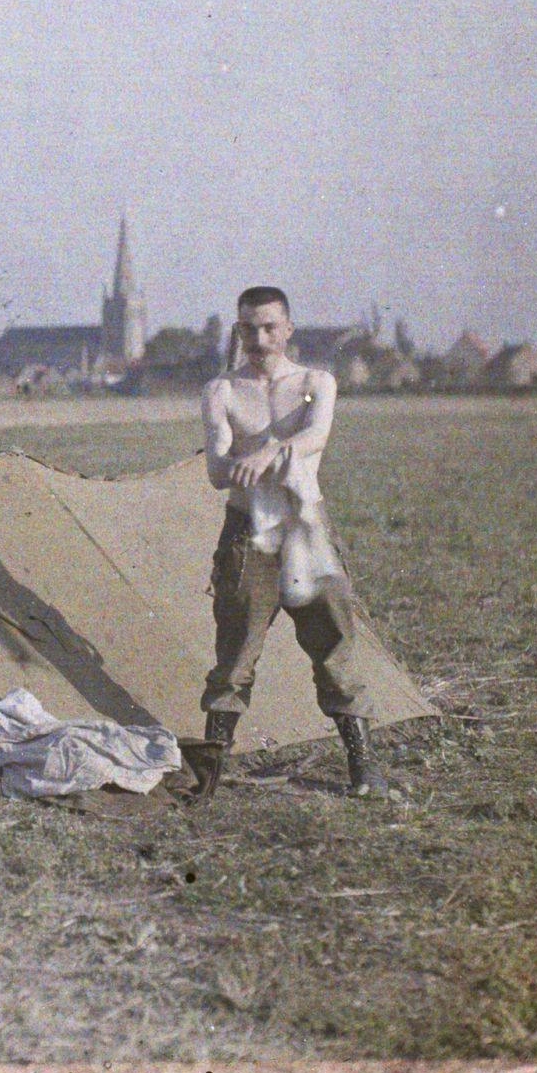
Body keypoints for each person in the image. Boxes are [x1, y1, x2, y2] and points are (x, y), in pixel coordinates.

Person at [187, 285, 388, 800]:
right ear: (237, 331)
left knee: (335, 651)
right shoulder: (222, 391)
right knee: (234, 659)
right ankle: (209, 776)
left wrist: (269, 451)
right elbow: (215, 471)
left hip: (305, 531)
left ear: (288, 329)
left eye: (270, 326)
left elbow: (317, 435)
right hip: (247, 537)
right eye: (249, 328)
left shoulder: (316, 382)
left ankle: (364, 769)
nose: (260, 337)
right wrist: (245, 461)